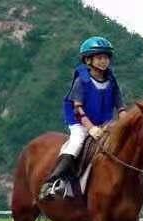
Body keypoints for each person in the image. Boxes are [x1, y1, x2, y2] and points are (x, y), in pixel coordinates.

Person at [39, 36, 127, 200]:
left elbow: (121, 107)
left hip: (105, 124)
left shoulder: (111, 81)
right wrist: (90, 128)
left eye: (106, 57)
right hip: (81, 124)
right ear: (88, 60)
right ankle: (53, 183)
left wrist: (126, 123)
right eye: (99, 58)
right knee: (76, 143)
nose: (104, 61)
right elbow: (78, 109)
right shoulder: (82, 81)